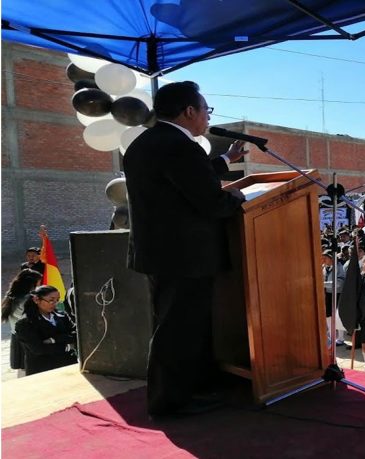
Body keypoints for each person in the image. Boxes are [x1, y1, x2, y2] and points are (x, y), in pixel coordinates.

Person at [123, 81, 248, 417]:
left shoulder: (145, 143)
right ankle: (170, 402)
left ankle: (184, 390)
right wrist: (235, 199)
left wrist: (224, 160)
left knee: (172, 325)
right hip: (184, 256)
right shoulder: (180, 147)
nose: (208, 116)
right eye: (206, 109)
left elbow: (182, 178)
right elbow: (208, 200)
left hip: (159, 253)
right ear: (189, 111)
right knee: (178, 329)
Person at [14, 285, 77, 375]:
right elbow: (39, 349)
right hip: (43, 369)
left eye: (57, 300)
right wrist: (67, 346)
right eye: (51, 300)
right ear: (36, 300)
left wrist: (54, 339)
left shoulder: (62, 316)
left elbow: (76, 334)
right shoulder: (25, 324)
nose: (55, 303)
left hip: (67, 366)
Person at [1, 269, 43, 376]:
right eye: (38, 283)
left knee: (22, 370)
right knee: (31, 370)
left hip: (17, 337)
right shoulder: (28, 299)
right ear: (31, 284)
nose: (39, 286)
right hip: (28, 339)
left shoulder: (12, 296)